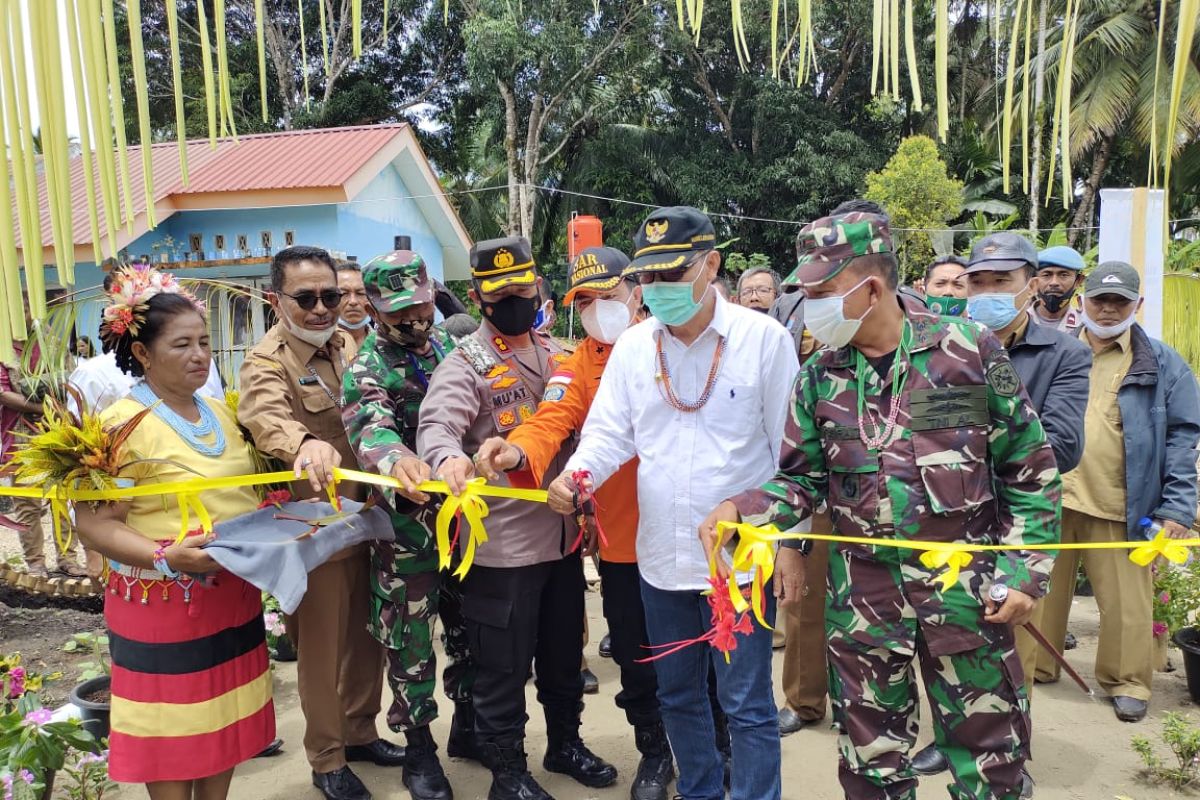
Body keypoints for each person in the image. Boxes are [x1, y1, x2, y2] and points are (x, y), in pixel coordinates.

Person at [701, 209, 1061, 800]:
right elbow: (802, 479)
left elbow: (1030, 468)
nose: (809, 305)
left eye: (820, 292)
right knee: (871, 766)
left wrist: (1023, 573)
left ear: (870, 287)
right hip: (865, 605)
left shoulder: (967, 351)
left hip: (967, 597)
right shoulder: (820, 375)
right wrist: (742, 509)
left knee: (990, 761)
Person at [546, 207, 798, 800]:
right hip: (660, 558)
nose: (657, 291)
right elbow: (610, 434)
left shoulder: (765, 340)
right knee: (676, 694)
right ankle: (702, 792)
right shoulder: (635, 347)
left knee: (746, 703)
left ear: (711, 265)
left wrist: (791, 541)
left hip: (738, 560)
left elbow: (791, 454)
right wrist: (577, 476)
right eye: (648, 279)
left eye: (672, 275)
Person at [416, 236, 615, 800]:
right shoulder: (465, 363)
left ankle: (565, 743)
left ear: (537, 288)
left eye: (522, 290)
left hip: (561, 540)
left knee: (561, 656)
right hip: (501, 549)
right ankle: (508, 773)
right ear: (479, 297)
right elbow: (437, 426)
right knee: (501, 668)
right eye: (499, 293)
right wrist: (448, 455)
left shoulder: (558, 353)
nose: (512, 301)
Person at [474, 246, 675, 800]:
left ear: (635, 292)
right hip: (624, 544)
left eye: (605, 296)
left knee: (704, 654)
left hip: (694, 535)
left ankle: (719, 745)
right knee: (638, 658)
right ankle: (655, 753)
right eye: (583, 300)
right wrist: (517, 455)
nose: (595, 309)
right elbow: (550, 420)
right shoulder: (578, 364)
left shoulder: (674, 340)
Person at [74, 265, 275, 797]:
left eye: (205, 342)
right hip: (161, 601)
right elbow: (92, 522)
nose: (200, 355)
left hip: (231, 593)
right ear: (142, 353)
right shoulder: (118, 425)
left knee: (224, 718)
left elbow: (250, 490)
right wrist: (165, 556)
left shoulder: (221, 413)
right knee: (172, 729)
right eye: (182, 344)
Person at [911, 232, 1090, 791]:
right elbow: (919, 436)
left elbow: (1058, 445)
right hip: (947, 531)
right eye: (976, 281)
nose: (985, 291)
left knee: (1002, 660)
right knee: (946, 655)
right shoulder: (940, 351)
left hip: (1012, 528)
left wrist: (981, 445)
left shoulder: (1065, 353)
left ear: (1031, 285)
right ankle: (949, 741)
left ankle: (1008, 760)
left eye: (1000, 281)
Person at [239, 245, 400, 800]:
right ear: (274, 299)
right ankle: (327, 757)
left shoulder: (349, 344)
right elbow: (266, 417)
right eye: (305, 298)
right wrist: (303, 443)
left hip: (369, 520)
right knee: (322, 650)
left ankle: (359, 731)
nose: (321, 308)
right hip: (315, 532)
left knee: (367, 637)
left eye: (330, 296)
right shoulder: (266, 362)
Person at [1034, 261, 1200, 722]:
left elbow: (1183, 439)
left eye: (1119, 302)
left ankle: (1127, 681)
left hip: (1120, 502)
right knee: (1039, 590)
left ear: (1137, 305)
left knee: (1128, 605)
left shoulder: (1164, 363)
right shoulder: (1057, 351)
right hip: (1052, 496)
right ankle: (1038, 666)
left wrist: (1178, 510)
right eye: (1100, 300)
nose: (1108, 310)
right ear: (1083, 301)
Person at [341, 247, 477, 800]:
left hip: (466, 523)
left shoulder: (454, 347)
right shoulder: (366, 367)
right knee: (410, 637)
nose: (413, 320)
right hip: (407, 532)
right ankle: (419, 746)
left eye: (419, 306)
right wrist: (396, 459)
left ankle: (469, 725)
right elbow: (370, 426)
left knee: (472, 627)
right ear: (374, 309)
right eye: (397, 312)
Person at [0, 336, 87, 578]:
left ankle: (68, 558)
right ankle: (35, 562)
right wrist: (45, 409)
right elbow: (4, 395)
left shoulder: (51, 341)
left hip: (59, 433)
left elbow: (71, 377)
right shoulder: (2, 346)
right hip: (21, 439)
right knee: (28, 504)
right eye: (20, 302)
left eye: (29, 302)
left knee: (65, 499)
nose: (25, 308)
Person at [1032, 245, 1085, 333]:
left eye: (1063, 275)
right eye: (1046, 275)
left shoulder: (1085, 326)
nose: (1054, 282)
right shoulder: (1017, 322)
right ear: (1033, 281)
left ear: (1078, 281)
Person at [337, 260, 372, 350]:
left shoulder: (385, 343)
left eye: (360, 293)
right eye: (344, 293)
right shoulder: (321, 346)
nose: (353, 301)